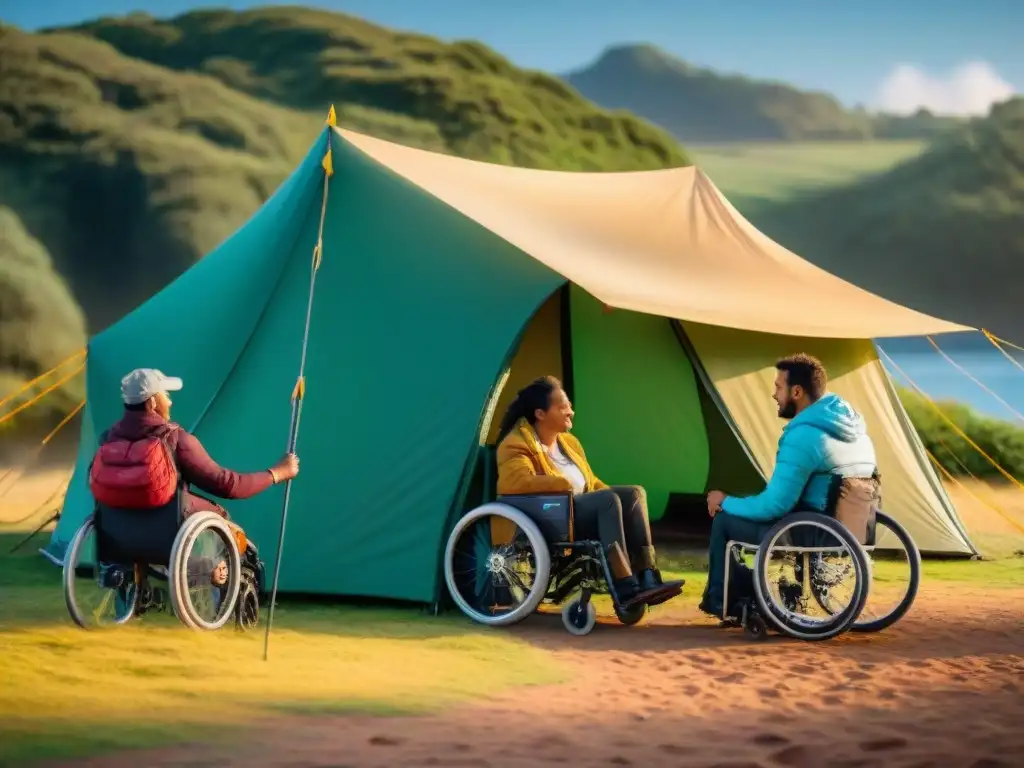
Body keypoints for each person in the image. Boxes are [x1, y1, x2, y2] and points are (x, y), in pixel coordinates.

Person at [90, 368, 299, 597]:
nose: (169, 401)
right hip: (166, 533)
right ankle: (214, 571)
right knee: (219, 516)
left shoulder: (107, 439)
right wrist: (276, 473)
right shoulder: (175, 440)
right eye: (165, 395)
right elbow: (229, 485)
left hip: (117, 537)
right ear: (151, 403)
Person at [698, 354, 878, 618]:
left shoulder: (805, 437)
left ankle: (720, 598)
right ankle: (754, 591)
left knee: (724, 521)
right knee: (747, 506)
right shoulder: (857, 433)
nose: (774, 394)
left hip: (808, 532)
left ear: (796, 391)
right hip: (850, 529)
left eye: (778, 387)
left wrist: (724, 501)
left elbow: (774, 505)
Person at [495, 376, 684, 607]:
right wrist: (560, 483)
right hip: (553, 517)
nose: (570, 412)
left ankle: (647, 576)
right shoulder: (516, 444)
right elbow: (515, 483)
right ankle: (624, 584)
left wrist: (619, 502)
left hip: (580, 509)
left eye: (570, 406)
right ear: (540, 414)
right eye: (563, 407)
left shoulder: (569, 443)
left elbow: (591, 481)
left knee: (634, 494)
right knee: (606, 501)